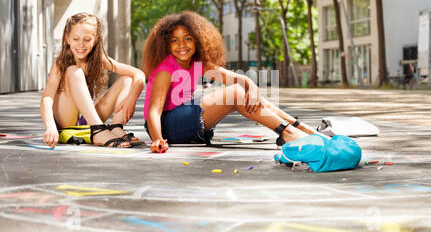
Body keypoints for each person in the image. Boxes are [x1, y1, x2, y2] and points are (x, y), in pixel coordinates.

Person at [142, 11, 318, 153]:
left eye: (188, 38)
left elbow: (239, 78)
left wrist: (252, 87)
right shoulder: (165, 71)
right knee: (234, 93)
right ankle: (287, 132)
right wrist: (157, 138)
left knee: (245, 93)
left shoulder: (198, 63)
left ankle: (301, 128)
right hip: (165, 127)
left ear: (197, 40)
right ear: (166, 44)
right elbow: (153, 112)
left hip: (183, 118)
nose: (182, 45)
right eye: (174, 40)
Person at [40, 12, 146, 148]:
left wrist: (131, 99)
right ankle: (99, 131)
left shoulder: (98, 59)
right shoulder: (60, 63)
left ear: (95, 40)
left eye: (87, 39)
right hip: (66, 121)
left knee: (127, 79)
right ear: (67, 38)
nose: (81, 45)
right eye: (76, 39)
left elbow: (138, 74)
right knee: (74, 71)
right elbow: (46, 98)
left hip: (87, 120)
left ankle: (116, 127)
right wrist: (50, 127)